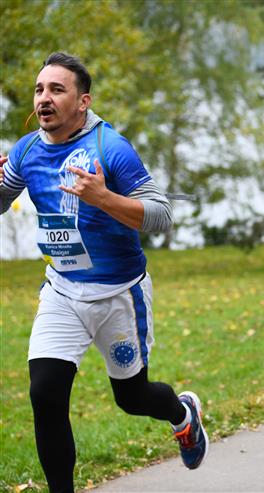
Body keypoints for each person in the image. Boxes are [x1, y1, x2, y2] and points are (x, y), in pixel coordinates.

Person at [0, 52, 208, 493]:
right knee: (45, 393)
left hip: (118, 294)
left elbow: (162, 214)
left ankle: (182, 414)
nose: (44, 98)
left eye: (57, 89)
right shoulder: (28, 149)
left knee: (132, 398)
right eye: (39, 89)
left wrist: (104, 198)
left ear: (83, 101)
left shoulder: (110, 148)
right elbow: (2, 199)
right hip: (62, 291)